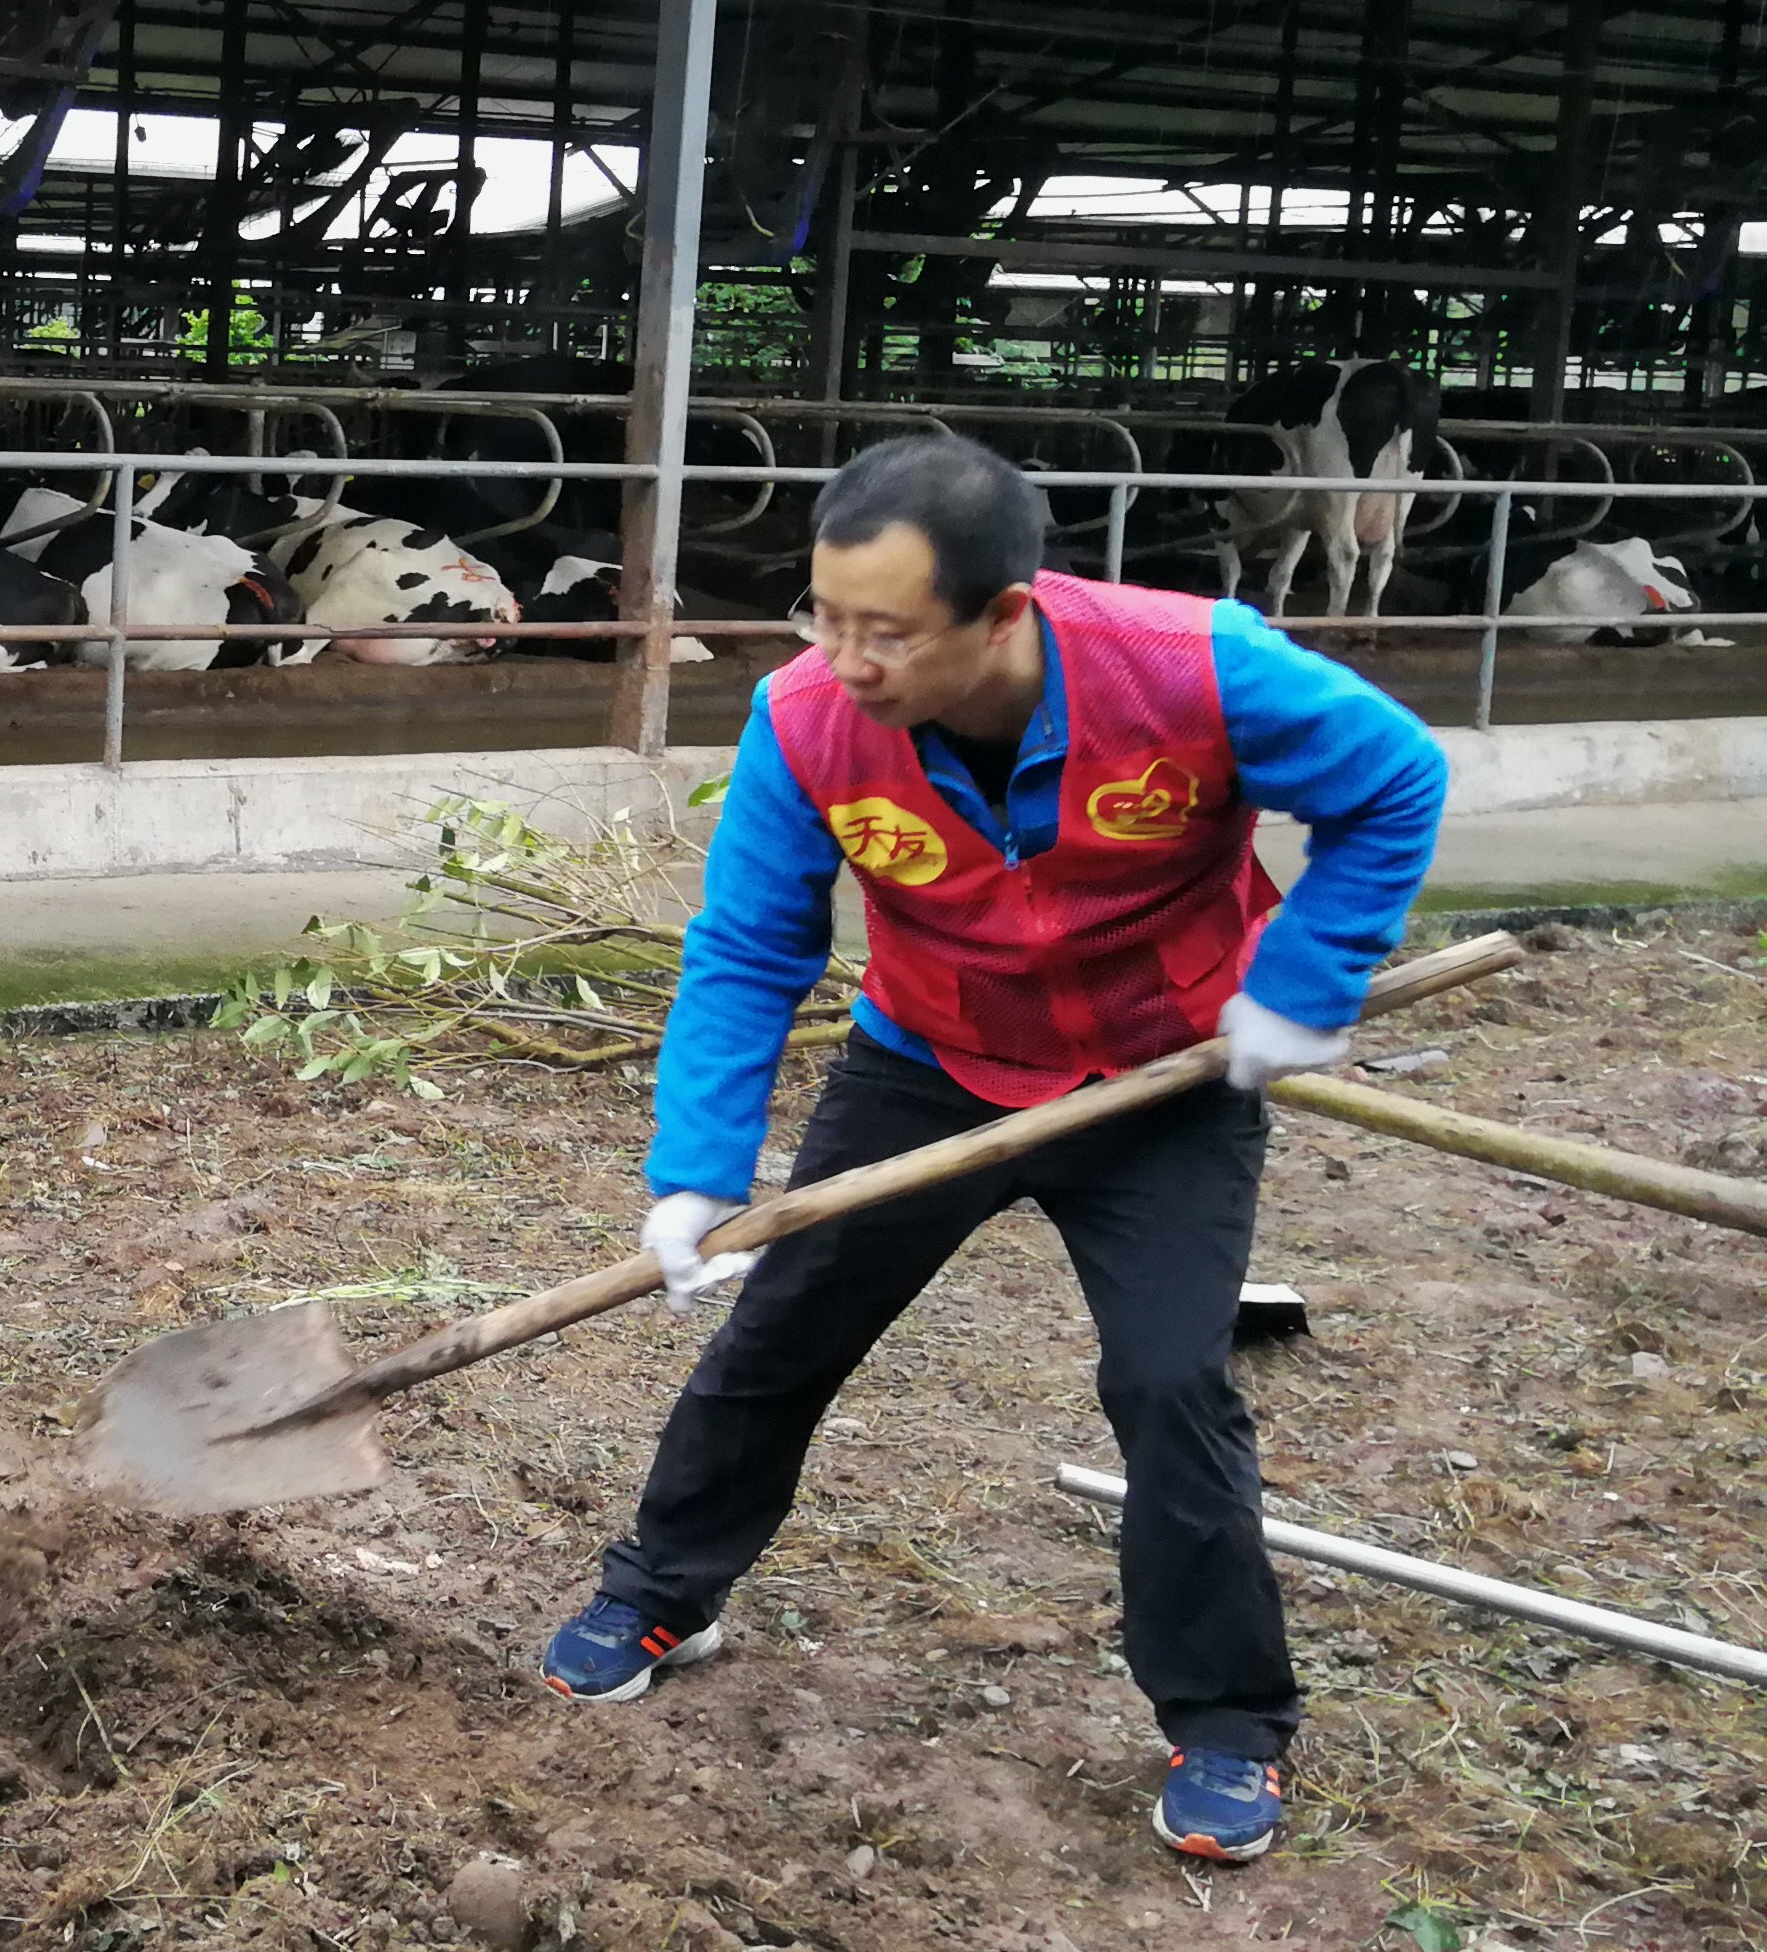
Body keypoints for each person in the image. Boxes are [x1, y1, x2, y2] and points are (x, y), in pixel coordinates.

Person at [539, 433, 1446, 1867]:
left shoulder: (1195, 669)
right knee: (783, 1331)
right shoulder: (805, 717)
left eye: (888, 632)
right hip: (930, 1066)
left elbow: (1395, 779)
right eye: (825, 617)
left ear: (1003, 613)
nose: (846, 661)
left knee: (1169, 1381)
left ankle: (1227, 1721)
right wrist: (699, 1167)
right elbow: (750, 946)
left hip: (1163, 1079)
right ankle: (664, 1589)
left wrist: (1306, 980)